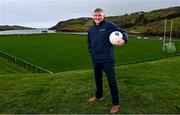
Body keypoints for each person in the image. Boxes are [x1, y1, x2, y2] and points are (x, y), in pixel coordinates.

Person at [87, 8, 128, 113]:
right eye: (95, 15)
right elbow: (89, 43)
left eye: (99, 15)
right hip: (96, 60)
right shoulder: (91, 29)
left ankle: (116, 103)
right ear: (93, 16)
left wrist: (123, 40)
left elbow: (123, 32)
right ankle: (98, 96)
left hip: (107, 60)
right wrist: (91, 52)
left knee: (112, 81)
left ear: (103, 16)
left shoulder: (109, 26)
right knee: (98, 80)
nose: (97, 17)